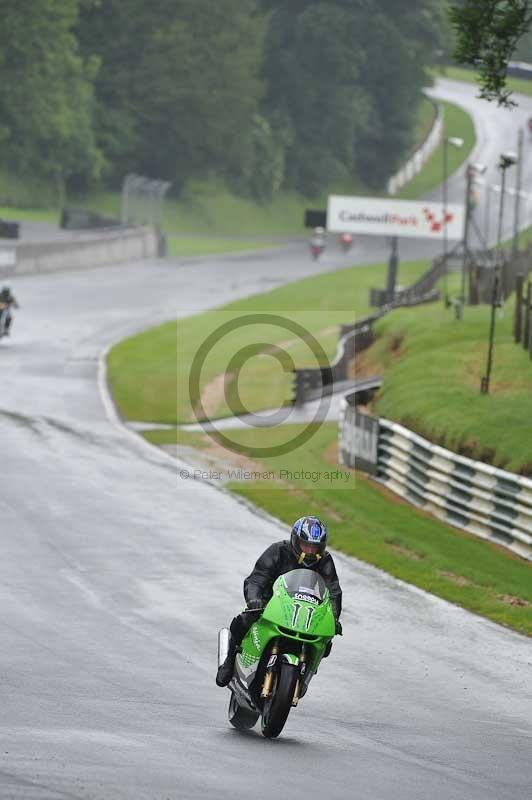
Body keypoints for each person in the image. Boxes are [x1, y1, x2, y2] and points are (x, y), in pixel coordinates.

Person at [216, 516, 343, 687]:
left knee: (326, 641)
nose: (310, 551)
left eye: (315, 547)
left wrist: (334, 617)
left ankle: (306, 673)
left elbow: (333, 591)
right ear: (295, 541)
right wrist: (254, 599)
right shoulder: (278, 551)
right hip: (270, 603)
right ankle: (229, 662)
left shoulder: (325, 561)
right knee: (243, 620)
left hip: (306, 611)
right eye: (306, 545)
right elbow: (257, 578)